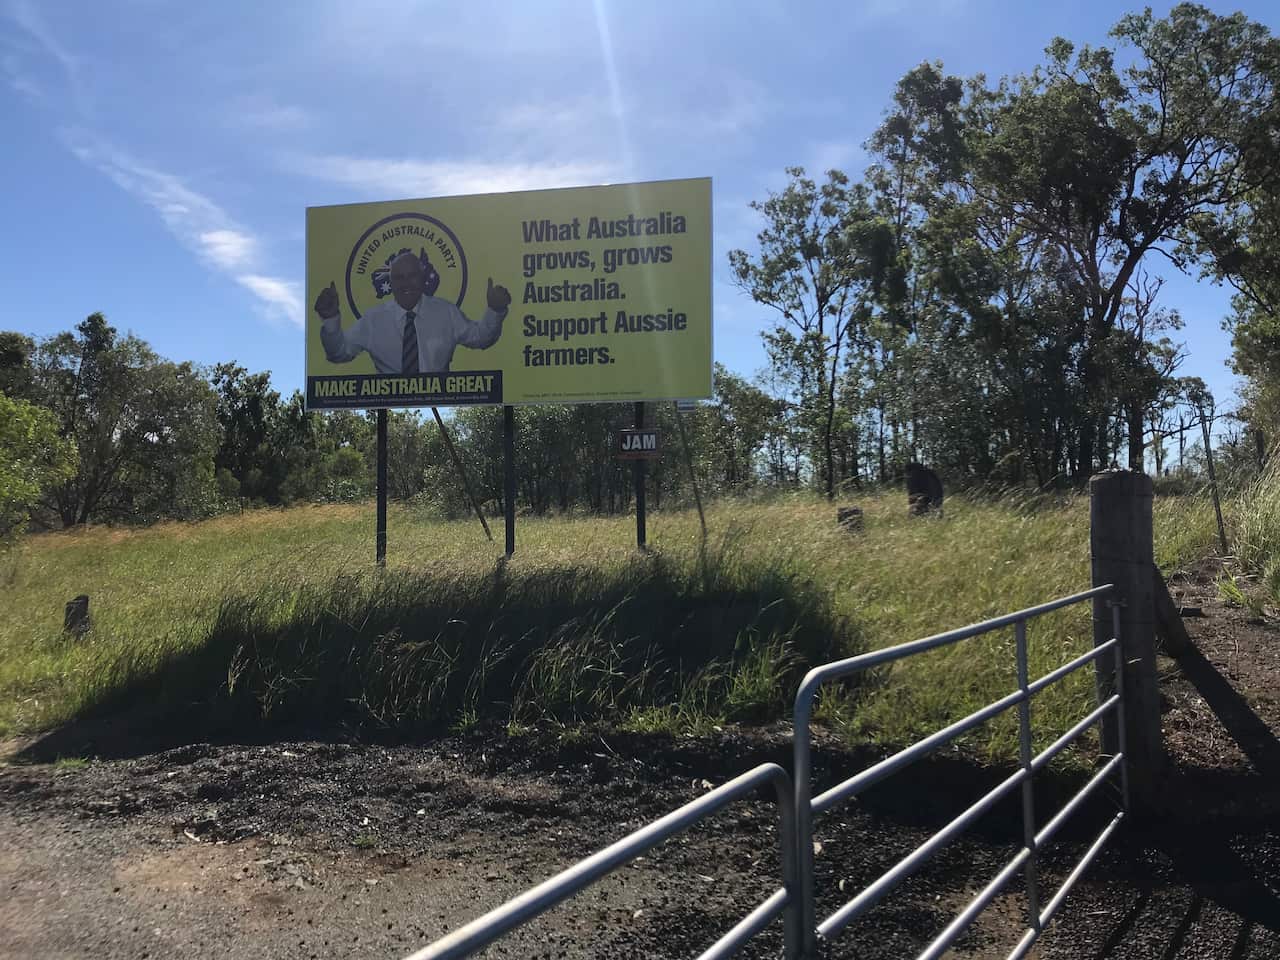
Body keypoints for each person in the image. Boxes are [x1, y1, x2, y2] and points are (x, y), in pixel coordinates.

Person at [314, 252, 511, 374]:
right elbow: (339, 353)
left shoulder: (445, 312)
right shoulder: (374, 320)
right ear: (390, 283)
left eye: (412, 276)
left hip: (440, 399)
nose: (406, 283)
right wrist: (330, 320)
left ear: (423, 278)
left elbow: (481, 338)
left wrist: (495, 310)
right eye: (399, 278)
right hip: (386, 405)